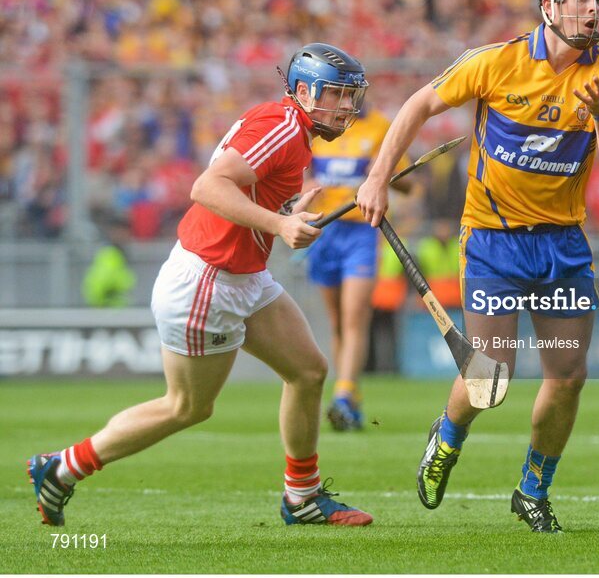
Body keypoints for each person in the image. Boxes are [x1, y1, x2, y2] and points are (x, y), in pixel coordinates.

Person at [28, 43, 375, 527]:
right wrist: (279, 228)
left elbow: (244, 196)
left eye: (349, 95)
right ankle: (61, 467)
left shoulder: (290, 128)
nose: (345, 106)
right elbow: (207, 188)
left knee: (309, 371)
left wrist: (284, 217)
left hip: (243, 275)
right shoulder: (281, 127)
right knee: (186, 407)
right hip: (208, 282)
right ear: (302, 90)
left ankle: (302, 497)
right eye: (335, 94)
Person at [356, 0, 599, 532]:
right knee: (489, 379)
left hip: (562, 246)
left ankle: (532, 489)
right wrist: (379, 177)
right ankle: (447, 437)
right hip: (493, 241)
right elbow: (417, 105)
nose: (594, 9)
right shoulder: (496, 61)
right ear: (549, 5)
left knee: (569, 375)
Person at [304, 105, 409, 431]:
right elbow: (303, 176)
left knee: (354, 316)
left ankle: (344, 395)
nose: (347, 100)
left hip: (361, 231)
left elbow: (403, 181)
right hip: (324, 230)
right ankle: (349, 394)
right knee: (337, 321)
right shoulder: (319, 129)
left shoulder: (380, 127)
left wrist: (381, 175)